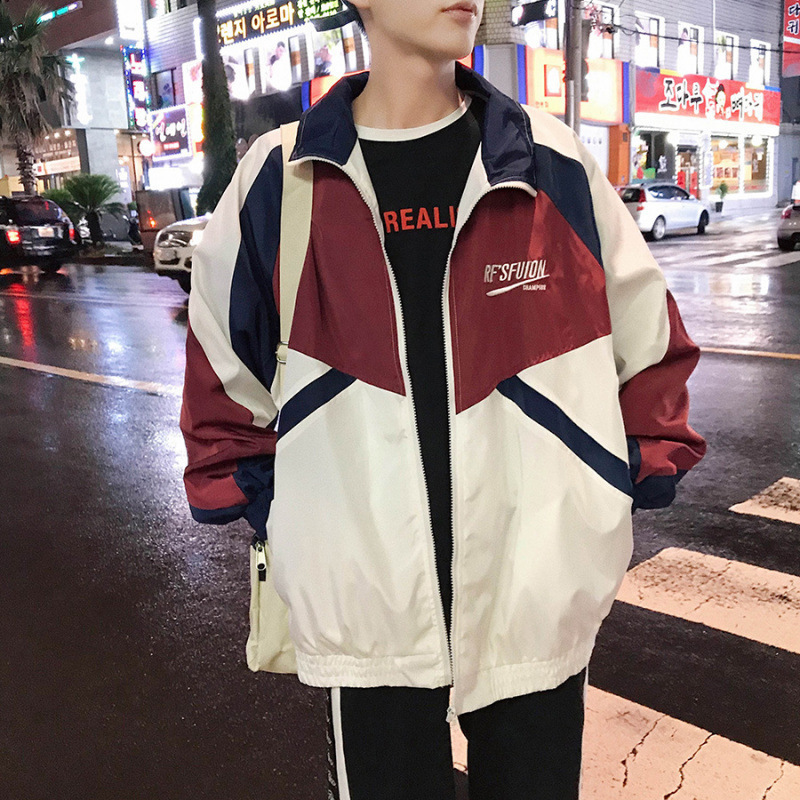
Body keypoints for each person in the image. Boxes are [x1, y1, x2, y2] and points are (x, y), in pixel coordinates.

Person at [180, 1, 706, 798]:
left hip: (536, 596)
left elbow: (652, 347)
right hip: (368, 617)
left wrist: (600, 495)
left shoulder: (551, 164)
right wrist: (293, 525)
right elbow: (223, 388)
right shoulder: (281, 180)